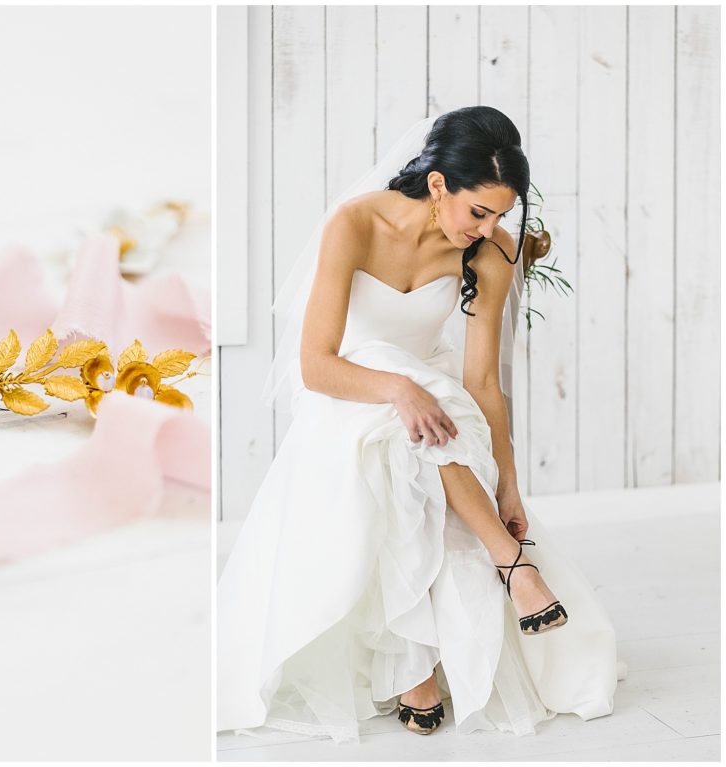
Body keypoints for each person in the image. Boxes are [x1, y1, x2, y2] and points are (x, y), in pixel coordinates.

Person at [217, 106, 618, 743]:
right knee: (409, 415)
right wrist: (396, 388)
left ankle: (412, 662)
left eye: (500, 215)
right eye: (477, 212)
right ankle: (512, 567)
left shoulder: (490, 252)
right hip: (351, 386)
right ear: (438, 186)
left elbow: (484, 383)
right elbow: (317, 365)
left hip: (433, 407)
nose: (487, 228)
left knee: (417, 436)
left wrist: (508, 485)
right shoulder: (355, 222)